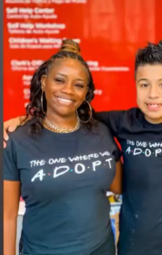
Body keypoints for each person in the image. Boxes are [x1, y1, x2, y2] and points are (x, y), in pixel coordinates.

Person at [4, 40, 162, 255]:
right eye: (144, 84)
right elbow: (67, 113)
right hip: (133, 247)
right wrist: (26, 119)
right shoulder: (119, 123)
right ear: (136, 85)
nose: (153, 94)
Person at [4, 40, 122, 255]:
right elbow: (7, 215)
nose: (68, 90)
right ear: (44, 81)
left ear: (86, 92)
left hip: (100, 249)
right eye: (59, 80)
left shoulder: (101, 132)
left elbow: (117, 186)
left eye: (78, 85)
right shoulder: (16, 139)